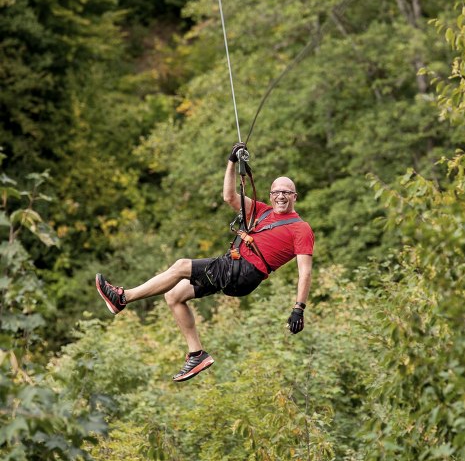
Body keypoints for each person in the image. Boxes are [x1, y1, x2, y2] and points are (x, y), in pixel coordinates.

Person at [95, 143, 314, 382]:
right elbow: (229, 196)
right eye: (277, 192)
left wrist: (298, 308)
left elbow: (305, 273)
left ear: (295, 197)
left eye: (287, 192)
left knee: (180, 266)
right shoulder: (261, 211)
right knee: (174, 296)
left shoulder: (300, 229)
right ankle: (196, 354)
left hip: (244, 272)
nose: (281, 196)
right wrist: (231, 162)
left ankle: (122, 298)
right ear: (271, 195)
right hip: (232, 266)